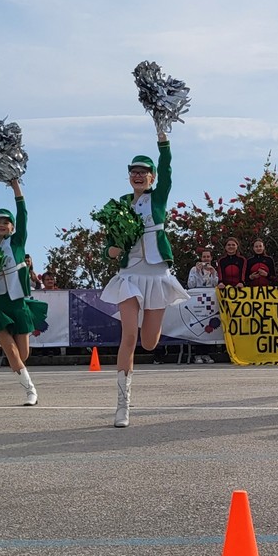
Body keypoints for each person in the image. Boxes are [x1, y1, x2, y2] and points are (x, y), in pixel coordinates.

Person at [99, 129, 189, 428]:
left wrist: (163, 139)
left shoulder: (158, 198)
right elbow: (108, 244)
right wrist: (110, 251)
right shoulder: (118, 206)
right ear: (129, 177)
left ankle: (146, 348)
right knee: (129, 337)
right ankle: (122, 404)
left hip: (157, 274)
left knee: (150, 343)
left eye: (144, 172)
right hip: (129, 275)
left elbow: (168, 167)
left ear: (151, 177)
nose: (139, 176)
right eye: (134, 172)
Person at [0, 180, 48, 405]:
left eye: (5, 222)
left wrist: (16, 186)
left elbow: (23, 212)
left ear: (12, 227)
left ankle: (6, 345)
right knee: (11, 352)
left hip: (18, 302)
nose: (1, 225)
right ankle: (30, 390)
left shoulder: (18, 242)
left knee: (22, 354)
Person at [185, 248, 219, 364]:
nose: (206, 259)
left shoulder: (213, 270)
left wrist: (213, 273)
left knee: (209, 327)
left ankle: (206, 353)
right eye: (204, 257)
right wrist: (198, 273)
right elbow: (191, 284)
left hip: (210, 301)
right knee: (198, 327)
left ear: (211, 258)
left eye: (208, 257)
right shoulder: (194, 269)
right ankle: (197, 354)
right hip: (197, 302)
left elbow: (216, 284)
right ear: (201, 258)